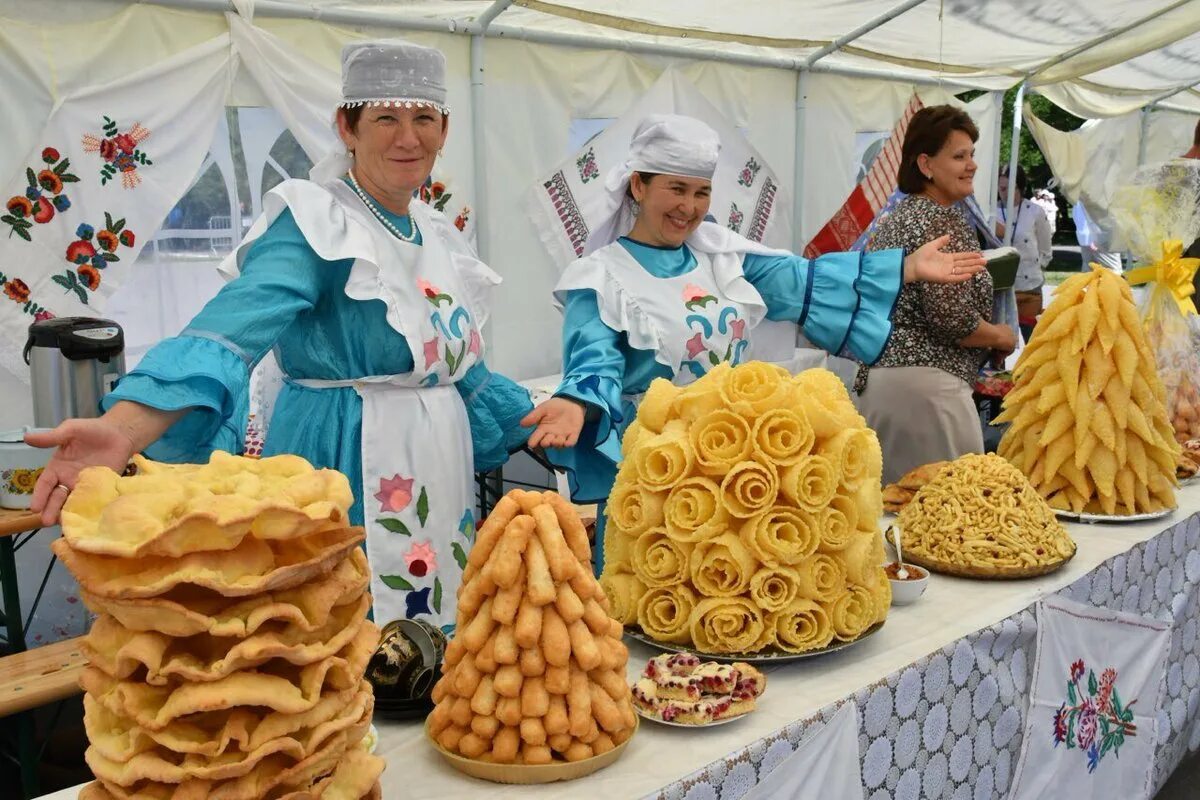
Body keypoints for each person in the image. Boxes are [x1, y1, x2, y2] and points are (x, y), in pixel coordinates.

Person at [26, 40, 534, 630]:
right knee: (343, 626)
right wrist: (122, 428)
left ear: (444, 130)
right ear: (347, 126)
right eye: (385, 118)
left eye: (424, 118)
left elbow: (456, 372)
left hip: (437, 463)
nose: (408, 137)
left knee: (433, 611)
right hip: (345, 451)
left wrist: (546, 420)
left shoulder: (438, 234)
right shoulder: (318, 219)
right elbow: (231, 327)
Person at [520, 114, 986, 573]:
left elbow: (809, 280)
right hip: (656, 471)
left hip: (735, 464)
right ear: (638, 187)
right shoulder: (600, 277)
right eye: (676, 189)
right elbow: (593, 360)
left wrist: (903, 268)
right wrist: (576, 403)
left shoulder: (724, 259)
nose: (689, 207)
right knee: (659, 589)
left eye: (701, 192)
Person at [855, 105, 1016, 486]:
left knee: (897, 515)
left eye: (972, 154)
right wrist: (1001, 336)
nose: (971, 165)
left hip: (885, 383)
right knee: (949, 518)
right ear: (925, 164)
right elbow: (951, 319)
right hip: (927, 391)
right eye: (959, 156)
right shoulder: (940, 219)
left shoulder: (900, 214)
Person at [997, 164, 1053, 342]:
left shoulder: (1035, 211)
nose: (1003, 192)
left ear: (1019, 187)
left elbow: (1046, 248)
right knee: (1001, 342)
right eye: (1000, 187)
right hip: (1001, 287)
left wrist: (1038, 267)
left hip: (1030, 287)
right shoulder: (991, 212)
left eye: (1007, 188)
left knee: (1033, 340)